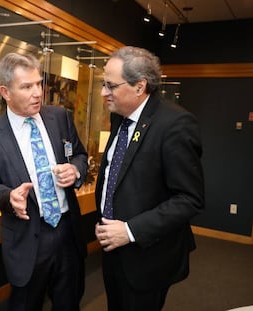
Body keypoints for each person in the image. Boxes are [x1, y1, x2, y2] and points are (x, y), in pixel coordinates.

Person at [0, 52, 88, 311]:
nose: (37, 93)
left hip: (68, 231)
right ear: (5, 92)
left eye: (39, 83)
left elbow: (80, 155)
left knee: (70, 304)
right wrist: (9, 198)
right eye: (27, 87)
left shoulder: (60, 117)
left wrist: (76, 170)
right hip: (28, 239)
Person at [95, 46, 204, 311]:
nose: (103, 92)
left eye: (110, 85)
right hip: (113, 249)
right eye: (103, 83)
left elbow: (189, 199)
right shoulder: (119, 116)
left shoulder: (175, 124)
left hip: (148, 256)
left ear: (139, 86)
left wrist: (130, 231)